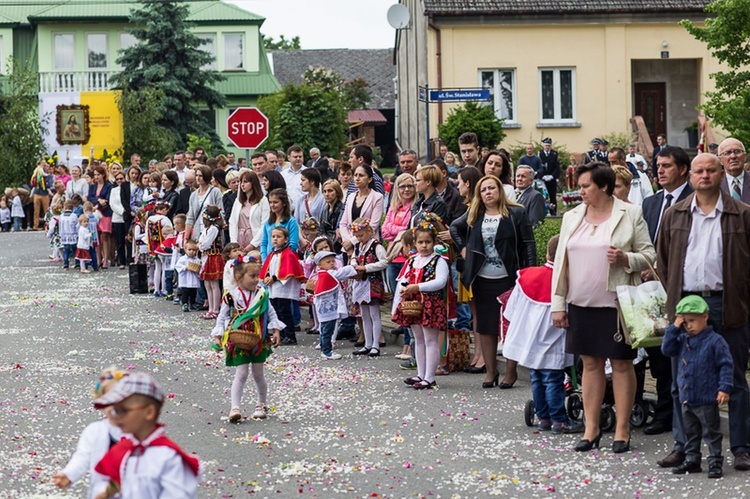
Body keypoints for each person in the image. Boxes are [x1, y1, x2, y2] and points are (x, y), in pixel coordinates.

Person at [551, 161, 655, 453]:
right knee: (590, 365)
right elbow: (561, 263)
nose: (580, 191)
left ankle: (622, 430)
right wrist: (558, 305)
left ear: (604, 187)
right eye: (580, 186)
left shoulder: (630, 212)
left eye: (586, 186)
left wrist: (626, 259)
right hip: (580, 303)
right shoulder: (572, 216)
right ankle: (591, 428)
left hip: (617, 304)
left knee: (622, 364)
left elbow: (650, 254)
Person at [657, 152, 750, 471]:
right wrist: (677, 302)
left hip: (727, 304)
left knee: (734, 376)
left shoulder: (742, 214)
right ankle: (684, 447)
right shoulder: (675, 214)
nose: (705, 175)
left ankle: (741, 447)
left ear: (722, 174)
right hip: (685, 304)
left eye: (712, 169)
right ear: (691, 176)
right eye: (699, 170)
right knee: (681, 378)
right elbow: (664, 261)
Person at [451, 175, 536, 389]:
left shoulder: (516, 212)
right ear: (479, 195)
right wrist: (463, 248)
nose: (488, 192)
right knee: (486, 327)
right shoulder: (475, 214)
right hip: (482, 278)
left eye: (492, 188)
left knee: (510, 327)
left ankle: (510, 372)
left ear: (500, 190)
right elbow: (454, 227)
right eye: (484, 189)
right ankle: (490, 372)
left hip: (508, 278)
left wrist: (528, 272)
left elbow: (528, 244)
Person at [503, 235, 583, 434]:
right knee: (553, 379)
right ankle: (559, 419)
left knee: (537, 378)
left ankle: (543, 417)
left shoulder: (526, 276)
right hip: (553, 339)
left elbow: (511, 311)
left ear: (547, 253)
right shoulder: (568, 281)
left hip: (530, 339)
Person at [91, 372, 200, 499]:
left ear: (149, 412)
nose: (117, 417)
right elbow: (108, 481)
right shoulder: (123, 450)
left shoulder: (167, 456)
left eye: (124, 410)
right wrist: (105, 492)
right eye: (116, 410)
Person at [662, 295, 733, 478]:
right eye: (685, 323)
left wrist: (724, 388)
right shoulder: (683, 339)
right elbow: (666, 350)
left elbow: (726, 365)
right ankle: (692, 460)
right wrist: (674, 328)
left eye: (692, 321)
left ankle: (715, 460)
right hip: (687, 397)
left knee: (711, 431)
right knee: (690, 432)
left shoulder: (715, 341)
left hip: (706, 397)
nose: (689, 326)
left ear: (705, 317)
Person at [210, 255, 284, 421]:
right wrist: (218, 336)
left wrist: (276, 330)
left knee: (258, 373)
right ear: (238, 277)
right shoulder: (231, 295)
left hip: (258, 337)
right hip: (238, 337)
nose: (257, 280)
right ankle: (234, 408)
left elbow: (270, 312)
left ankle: (261, 403)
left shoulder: (262, 293)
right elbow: (222, 317)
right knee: (241, 373)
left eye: (258, 276)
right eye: (252, 276)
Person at [53, 367, 129, 498]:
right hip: (101, 491)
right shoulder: (94, 431)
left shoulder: (140, 432)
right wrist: (69, 474)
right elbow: (83, 456)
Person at [393, 220, 450, 390]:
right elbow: (404, 279)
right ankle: (421, 373)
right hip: (414, 303)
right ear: (415, 243)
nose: (424, 246)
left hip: (431, 303)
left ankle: (430, 377)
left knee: (430, 339)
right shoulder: (412, 261)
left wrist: (418, 287)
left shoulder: (439, 261)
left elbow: (440, 281)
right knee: (418, 339)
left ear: (434, 243)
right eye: (420, 242)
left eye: (428, 242)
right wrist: (404, 289)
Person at [349, 218, 388, 357]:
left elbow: (384, 262)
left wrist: (366, 267)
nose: (359, 238)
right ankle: (367, 343)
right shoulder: (359, 246)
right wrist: (354, 263)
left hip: (372, 283)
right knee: (364, 314)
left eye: (361, 235)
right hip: (361, 283)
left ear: (369, 231)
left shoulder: (376, 245)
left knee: (374, 314)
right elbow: (354, 257)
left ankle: (376, 345)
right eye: (357, 236)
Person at [260, 226, 305, 346]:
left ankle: (290, 336)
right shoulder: (272, 254)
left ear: (286, 239)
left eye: (278, 237)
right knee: (276, 312)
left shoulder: (288, 254)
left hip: (284, 289)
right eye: (273, 236)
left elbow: (288, 271)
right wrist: (267, 276)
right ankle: (281, 335)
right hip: (273, 288)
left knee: (284, 312)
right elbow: (268, 268)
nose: (275, 239)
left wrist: (274, 278)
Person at [313, 251, 357, 360]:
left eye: (333, 261)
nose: (332, 264)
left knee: (324, 330)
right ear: (319, 264)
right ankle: (327, 352)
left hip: (324, 309)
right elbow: (341, 273)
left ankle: (324, 349)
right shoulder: (329, 274)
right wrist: (352, 266)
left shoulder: (322, 274)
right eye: (328, 262)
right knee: (328, 330)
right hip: (329, 309)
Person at [382, 173, 417, 293]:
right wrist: (401, 230)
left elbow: (409, 230)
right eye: (402, 186)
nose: (406, 189)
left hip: (407, 257)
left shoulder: (415, 207)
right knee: (394, 294)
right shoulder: (394, 206)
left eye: (410, 186)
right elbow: (384, 232)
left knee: (406, 296)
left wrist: (396, 229)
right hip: (393, 256)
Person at [339, 165, 384, 253]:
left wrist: (352, 241)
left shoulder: (377, 197)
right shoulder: (351, 197)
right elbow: (343, 223)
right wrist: (347, 241)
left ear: (370, 179)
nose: (357, 178)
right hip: (348, 247)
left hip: (368, 246)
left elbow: (373, 225)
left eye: (361, 175)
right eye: (355, 175)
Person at [229, 170, 269, 253]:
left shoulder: (263, 201)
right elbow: (232, 222)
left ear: (253, 183)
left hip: (255, 239)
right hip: (239, 239)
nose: (242, 185)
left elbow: (264, 224)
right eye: (241, 182)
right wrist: (234, 242)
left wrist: (253, 244)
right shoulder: (238, 201)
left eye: (245, 182)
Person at [198, 205, 225, 319]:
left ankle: (215, 309)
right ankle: (211, 308)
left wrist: (201, 246)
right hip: (207, 257)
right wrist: (201, 245)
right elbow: (201, 242)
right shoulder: (207, 229)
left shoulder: (214, 229)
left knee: (214, 284)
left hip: (213, 256)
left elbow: (206, 243)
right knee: (207, 284)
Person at [260, 188, 299, 261]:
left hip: (285, 261)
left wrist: (281, 259)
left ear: (284, 203)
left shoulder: (291, 221)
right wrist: (265, 260)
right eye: (270, 202)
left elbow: (293, 244)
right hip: (269, 260)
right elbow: (264, 243)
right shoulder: (268, 223)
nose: (272, 205)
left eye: (275, 202)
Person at [185, 165, 222, 241]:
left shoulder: (215, 191)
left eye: (201, 176)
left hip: (212, 231)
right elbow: (190, 217)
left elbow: (221, 211)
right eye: (197, 175)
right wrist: (186, 237)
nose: (198, 178)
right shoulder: (193, 195)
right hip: (198, 231)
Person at [88, 165, 113, 268]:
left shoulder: (109, 186)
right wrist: (98, 200)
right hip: (95, 213)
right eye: (95, 175)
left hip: (105, 213)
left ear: (103, 175)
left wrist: (99, 204)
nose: (96, 177)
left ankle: (106, 260)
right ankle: (98, 259)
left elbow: (107, 199)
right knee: (96, 236)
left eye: (98, 174)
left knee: (105, 236)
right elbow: (90, 197)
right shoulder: (92, 186)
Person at [718, 137, 750, 204]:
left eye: (737, 151)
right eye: (727, 153)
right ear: (720, 160)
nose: (733, 156)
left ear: (745, 157)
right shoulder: (714, 184)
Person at [294, 168, 326, 233]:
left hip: (317, 236)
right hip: (302, 237)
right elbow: (296, 221)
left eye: (303, 180)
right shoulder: (301, 200)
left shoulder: (323, 199)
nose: (301, 183)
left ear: (312, 182)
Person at [175, 239, 201, 312]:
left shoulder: (197, 259)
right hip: (185, 280)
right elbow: (178, 266)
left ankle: (192, 303)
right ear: (185, 250)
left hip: (194, 279)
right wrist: (185, 268)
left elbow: (199, 268)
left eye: (194, 250)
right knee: (185, 292)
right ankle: (185, 303)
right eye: (189, 249)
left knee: (193, 292)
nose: (192, 252)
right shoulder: (182, 259)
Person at [110, 172, 128, 269]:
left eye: (121, 178)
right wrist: (122, 211)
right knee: (120, 241)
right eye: (117, 179)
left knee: (129, 240)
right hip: (118, 217)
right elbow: (112, 204)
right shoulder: (113, 190)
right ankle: (122, 261)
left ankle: (130, 259)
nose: (119, 181)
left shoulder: (129, 188)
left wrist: (127, 212)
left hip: (128, 216)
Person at [538, 138, 561, 215]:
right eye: (546, 145)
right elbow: (539, 166)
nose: (547, 147)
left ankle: (553, 211)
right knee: (542, 195)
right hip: (543, 179)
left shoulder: (554, 154)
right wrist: (542, 176)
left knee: (552, 196)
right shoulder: (539, 154)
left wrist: (553, 176)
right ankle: (543, 211)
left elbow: (557, 167)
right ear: (543, 146)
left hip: (552, 179)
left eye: (548, 145)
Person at [320, 179, 344, 251]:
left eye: (330, 191)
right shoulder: (324, 210)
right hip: (325, 245)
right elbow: (321, 230)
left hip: (338, 246)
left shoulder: (342, 209)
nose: (327, 194)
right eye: (324, 191)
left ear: (337, 192)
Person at [31, 160, 54, 230]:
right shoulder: (38, 173)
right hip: (37, 193)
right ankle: (35, 225)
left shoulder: (49, 176)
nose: (45, 168)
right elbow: (33, 183)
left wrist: (42, 182)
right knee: (36, 211)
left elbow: (48, 185)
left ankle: (49, 225)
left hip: (45, 194)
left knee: (47, 210)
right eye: (44, 166)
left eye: (47, 166)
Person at [59, 200, 79, 269]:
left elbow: (60, 226)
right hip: (72, 235)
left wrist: (60, 234)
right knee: (75, 249)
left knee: (66, 250)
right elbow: (77, 226)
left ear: (64, 207)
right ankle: (77, 262)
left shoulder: (61, 216)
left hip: (64, 235)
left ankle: (66, 263)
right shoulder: (74, 216)